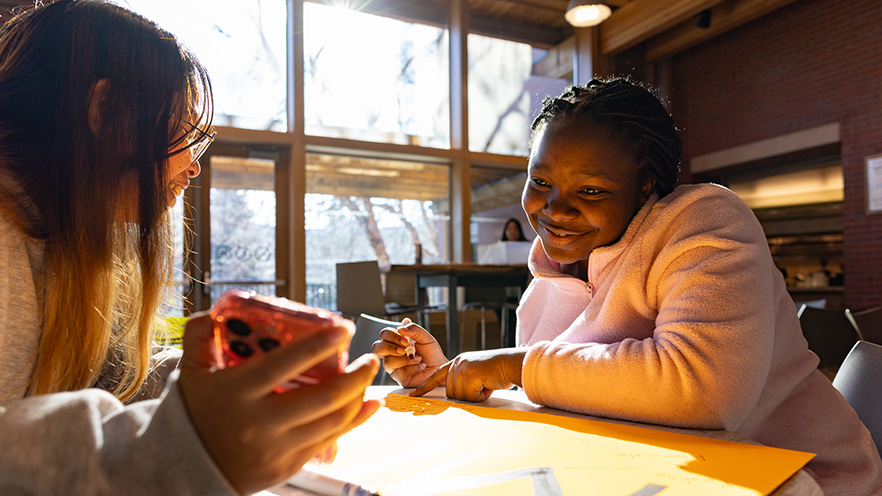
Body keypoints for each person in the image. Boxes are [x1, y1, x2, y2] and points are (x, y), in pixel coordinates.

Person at [374, 78, 882, 495]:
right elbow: (566, 393)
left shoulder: (707, 220)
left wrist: (512, 365)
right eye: (541, 182)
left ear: (646, 186)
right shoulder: (549, 277)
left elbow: (704, 391)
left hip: (794, 479)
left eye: (590, 190)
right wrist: (444, 376)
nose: (554, 210)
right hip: (646, 473)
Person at [0, 1, 379, 494]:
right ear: (103, 110)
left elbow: (107, 375)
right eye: (187, 132)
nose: (194, 166)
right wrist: (186, 445)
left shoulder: (70, 242)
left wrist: (222, 379)